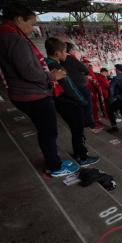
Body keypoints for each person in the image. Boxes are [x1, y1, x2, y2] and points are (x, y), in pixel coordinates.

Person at [0, 3, 79, 178]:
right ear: (20, 19)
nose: (33, 28)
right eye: (32, 23)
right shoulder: (14, 38)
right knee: (49, 131)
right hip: (30, 95)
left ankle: (54, 160)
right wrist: (52, 76)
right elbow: (28, 72)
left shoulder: (6, 34)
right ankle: (55, 167)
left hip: (22, 92)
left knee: (47, 130)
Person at [44, 37, 100, 166]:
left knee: (75, 130)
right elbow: (69, 88)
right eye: (65, 52)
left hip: (61, 102)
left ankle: (77, 153)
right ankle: (84, 158)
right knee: (78, 132)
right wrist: (82, 101)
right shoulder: (58, 67)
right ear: (58, 53)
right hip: (70, 103)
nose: (66, 55)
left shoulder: (46, 63)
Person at [60, 43, 100, 130]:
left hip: (74, 87)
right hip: (80, 87)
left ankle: (85, 123)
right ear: (70, 50)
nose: (75, 52)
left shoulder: (63, 60)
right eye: (75, 50)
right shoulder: (70, 58)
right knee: (87, 106)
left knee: (81, 106)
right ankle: (90, 124)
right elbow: (86, 71)